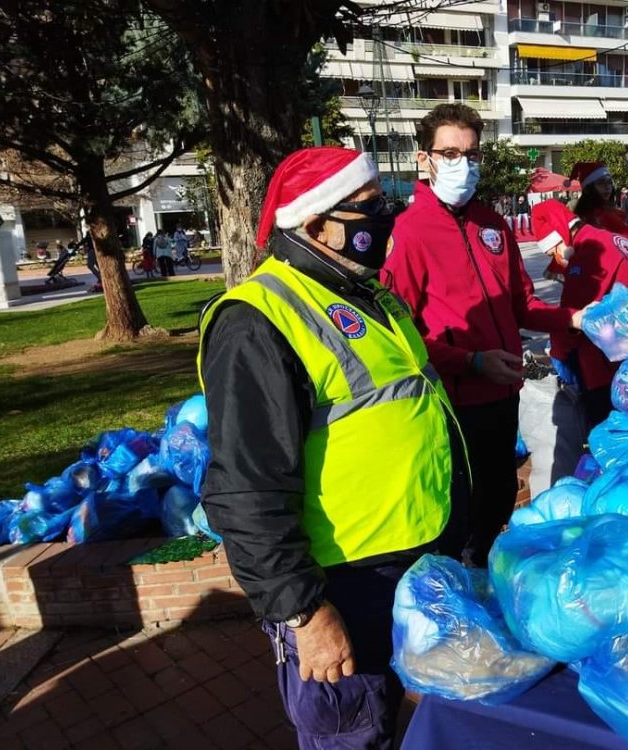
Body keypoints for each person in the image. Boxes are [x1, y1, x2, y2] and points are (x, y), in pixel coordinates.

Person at [199, 146, 468, 748]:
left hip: (410, 562)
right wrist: (305, 613)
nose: (386, 219)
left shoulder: (366, 293)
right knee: (351, 731)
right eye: (369, 208)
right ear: (317, 223)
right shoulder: (258, 320)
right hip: (342, 585)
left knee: (405, 719)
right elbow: (246, 489)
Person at [382, 103, 583, 567]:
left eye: (471, 155)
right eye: (449, 154)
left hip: (502, 392)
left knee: (497, 500)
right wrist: (470, 362)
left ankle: (486, 585)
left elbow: (522, 305)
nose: (462, 165)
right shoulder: (410, 233)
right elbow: (400, 336)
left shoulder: (493, 225)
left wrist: (572, 318)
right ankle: (461, 602)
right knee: (461, 516)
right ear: (423, 159)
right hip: (453, 404)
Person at [533, 199, 628, 438]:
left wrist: (558, 352)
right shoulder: (608, 238)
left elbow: (575, 313)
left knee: (608, 435)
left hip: (607, 365)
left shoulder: (588, 254)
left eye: (552, 252)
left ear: (560, 238)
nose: (555, 259)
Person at [570, 161, 628, 238]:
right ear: (588, 189)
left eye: (609, 182)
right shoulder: (597, 217)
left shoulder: (611, 213)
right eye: (601, 183)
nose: (607, 187)